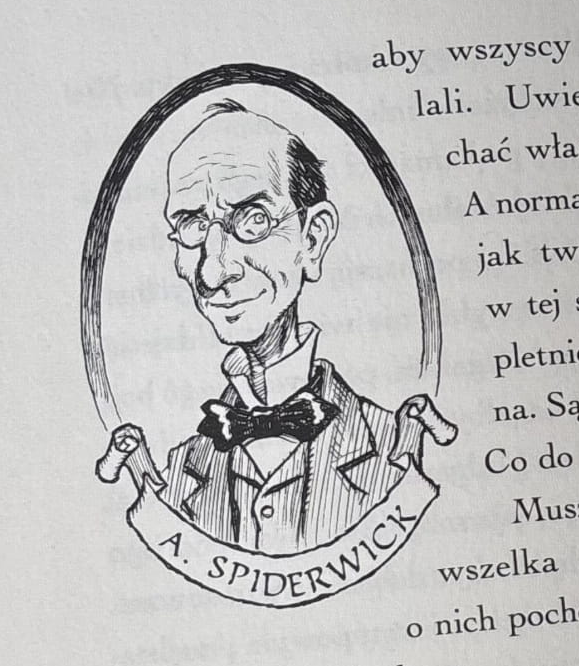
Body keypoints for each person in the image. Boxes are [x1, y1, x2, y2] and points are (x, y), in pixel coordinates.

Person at [158, 97, 425, 552]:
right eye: (193, 227)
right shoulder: (180, 472)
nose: (213, 271)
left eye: (253, 221)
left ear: (313, 238)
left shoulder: (393, 446)